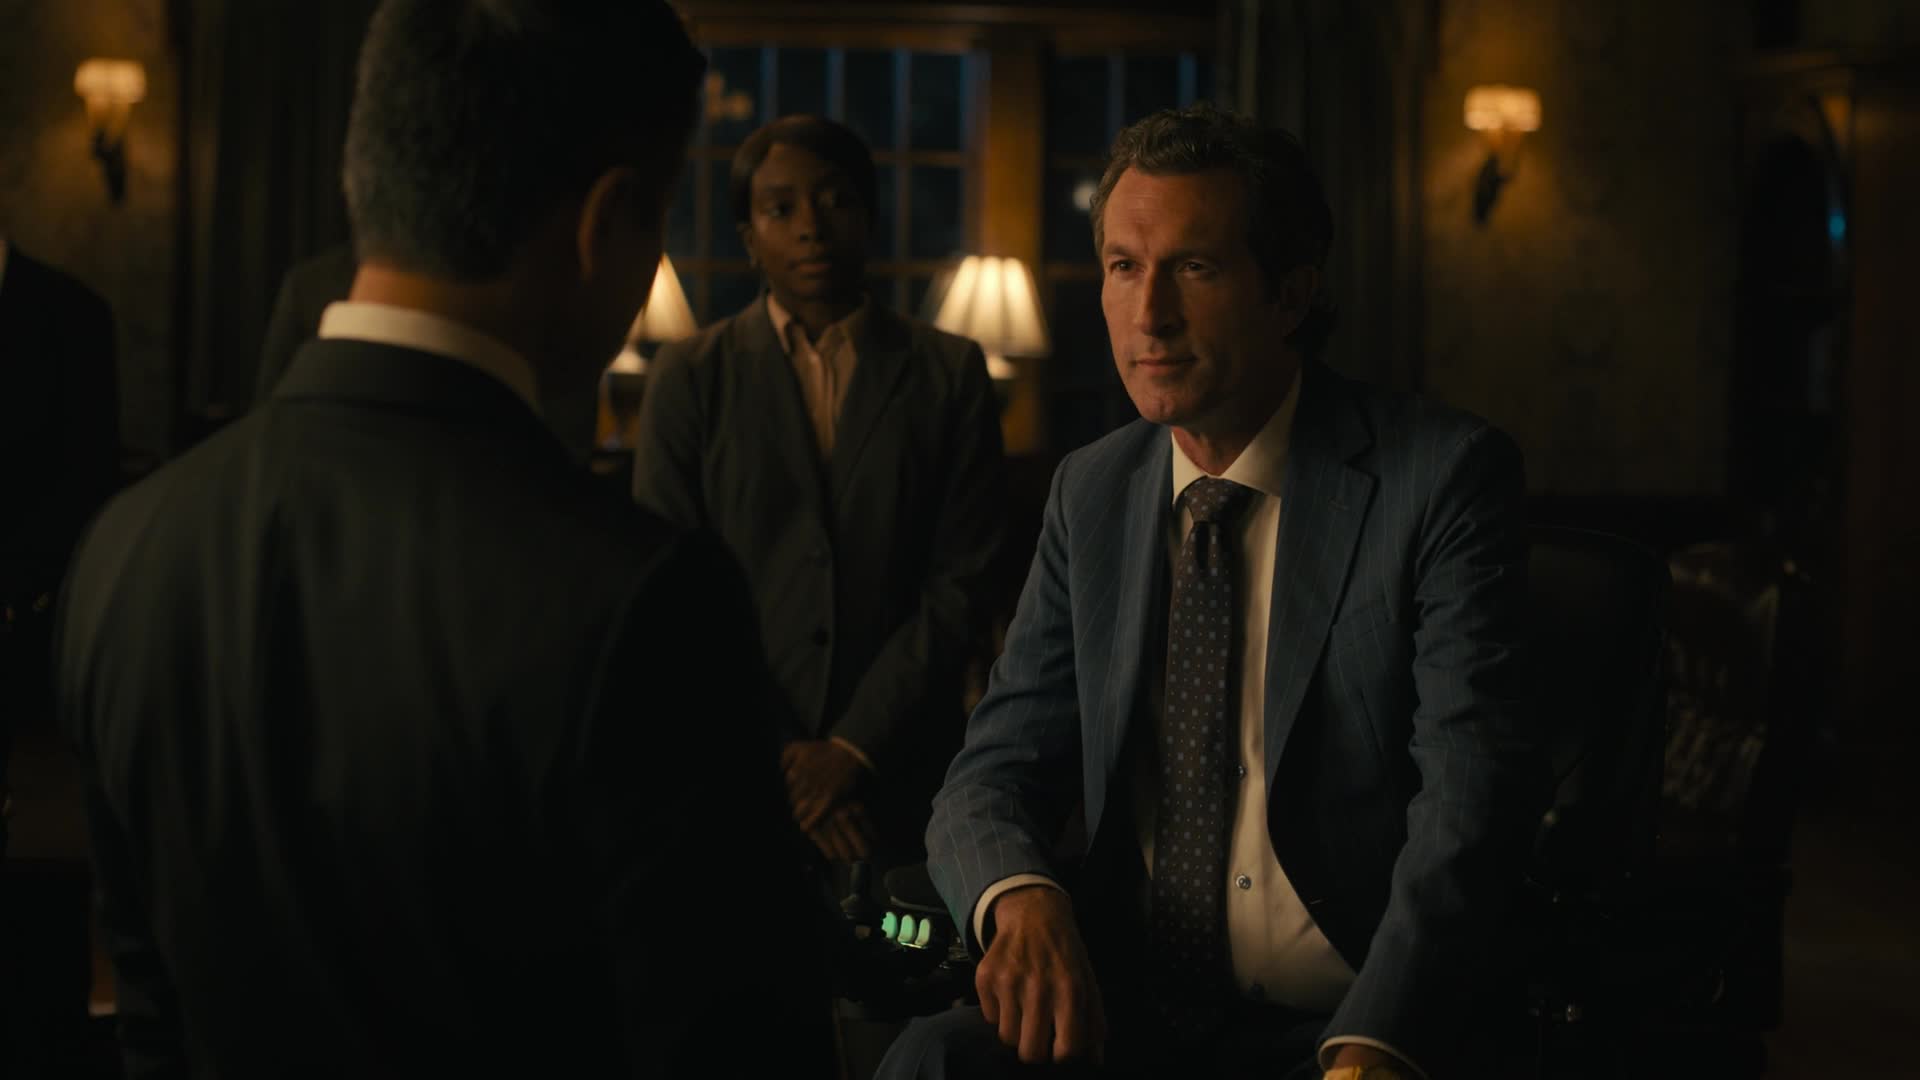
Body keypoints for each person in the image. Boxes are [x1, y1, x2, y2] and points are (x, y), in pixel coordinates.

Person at [53, 4, 834, 1076]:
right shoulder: (647, 599)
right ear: (605, 220)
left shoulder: (125, 548)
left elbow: (153, 1024)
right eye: (660, 213)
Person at [879, 104, 1545, 1080]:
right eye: (1123, 266)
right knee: (931, 1059)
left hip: (1346, 1014)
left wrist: (1379, 1037)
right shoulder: (1092, 490)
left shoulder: (1441, 478)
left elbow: (1469, 797)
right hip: (1131, 1007)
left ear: (1291, 294)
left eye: (1195, 267)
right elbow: (992, 773)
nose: (1150, 315)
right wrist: (1020, 898)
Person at [631, 115, 1006, 875]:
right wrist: (785, 761)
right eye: (781, 208)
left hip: (904, 771)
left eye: (835, 200)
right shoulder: (690, 376)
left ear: (868, 215)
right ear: (749, 236)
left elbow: (965, 578)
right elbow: (669, 588)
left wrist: (851, 748)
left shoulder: (948, 371)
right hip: (736, 769)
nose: (811, 226)